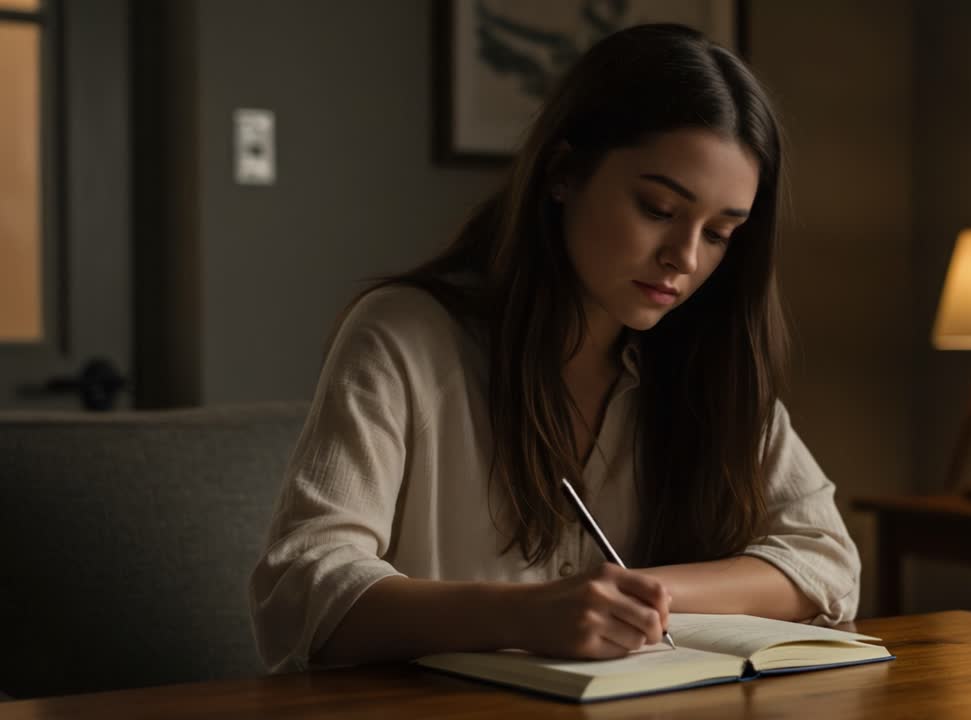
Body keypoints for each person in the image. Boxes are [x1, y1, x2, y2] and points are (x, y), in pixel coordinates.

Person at [249, 23, 860, 674]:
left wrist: (638, 598)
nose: (684, 257)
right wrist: (526, 613)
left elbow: (826, 557)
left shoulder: (704, 362)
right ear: (564, 172)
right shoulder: (405, 336)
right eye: (658, 208)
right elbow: (303, 587)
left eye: (719, 233)